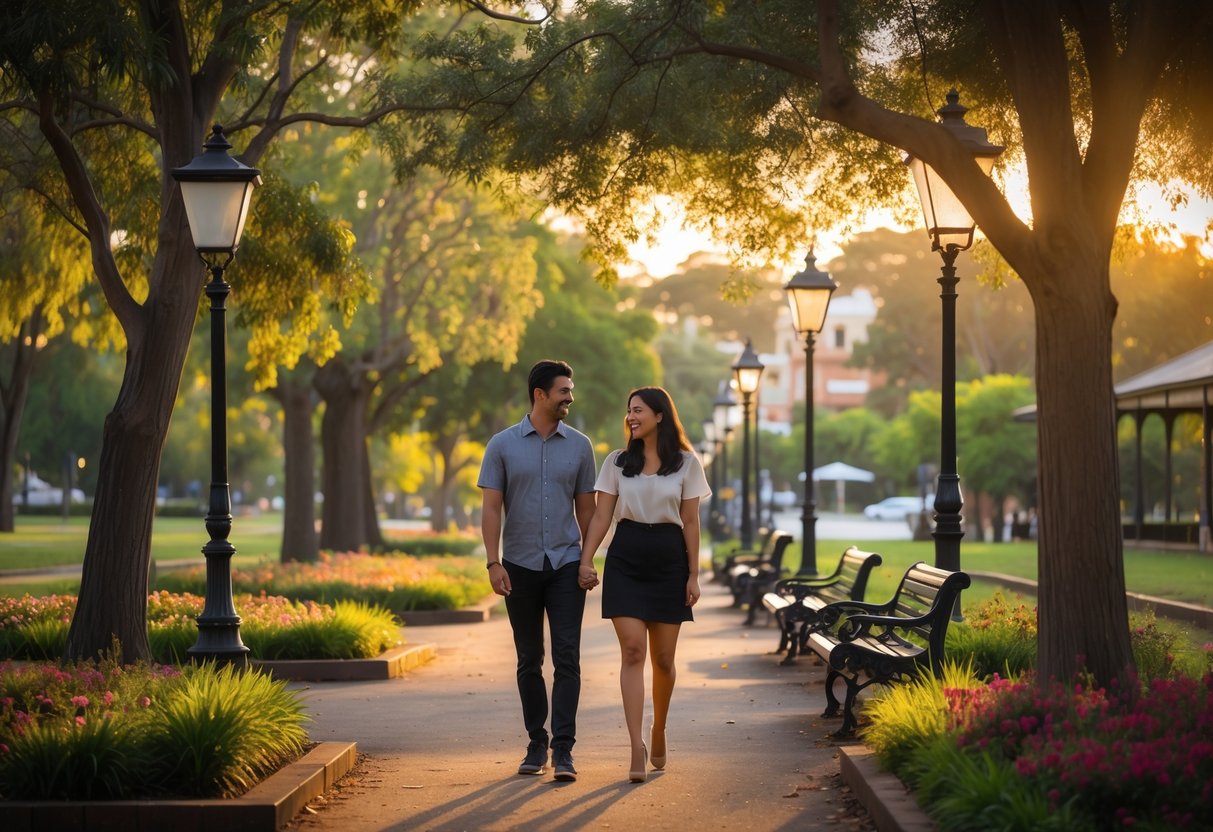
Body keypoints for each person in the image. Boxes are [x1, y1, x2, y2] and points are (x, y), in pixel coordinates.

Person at [577, 386, 711, 783]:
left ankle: (659, 728)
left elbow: (690, 522)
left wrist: (693, 574)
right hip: (627, 557)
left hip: (670, 559)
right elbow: (602, 518)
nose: (631, 417)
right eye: (628, 411)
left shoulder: (687, 464)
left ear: (659, 415)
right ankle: (635, 743)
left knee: (664, 660)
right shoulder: (617, 462)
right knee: (633, 652)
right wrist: (587, 560)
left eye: (638, 410)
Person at [477, 359, 597, 782]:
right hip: (519, 565)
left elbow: (588, 509)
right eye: (563, 390)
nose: (570, 397)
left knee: (568, 657)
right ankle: (536, 741)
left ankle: (564, 749)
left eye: (570, 389)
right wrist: (493, 562)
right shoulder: (502, 445)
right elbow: (492, 508)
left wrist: (587, 561)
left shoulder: (581, 446)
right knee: (529, 658)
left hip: (566, 564)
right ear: (540, 395)